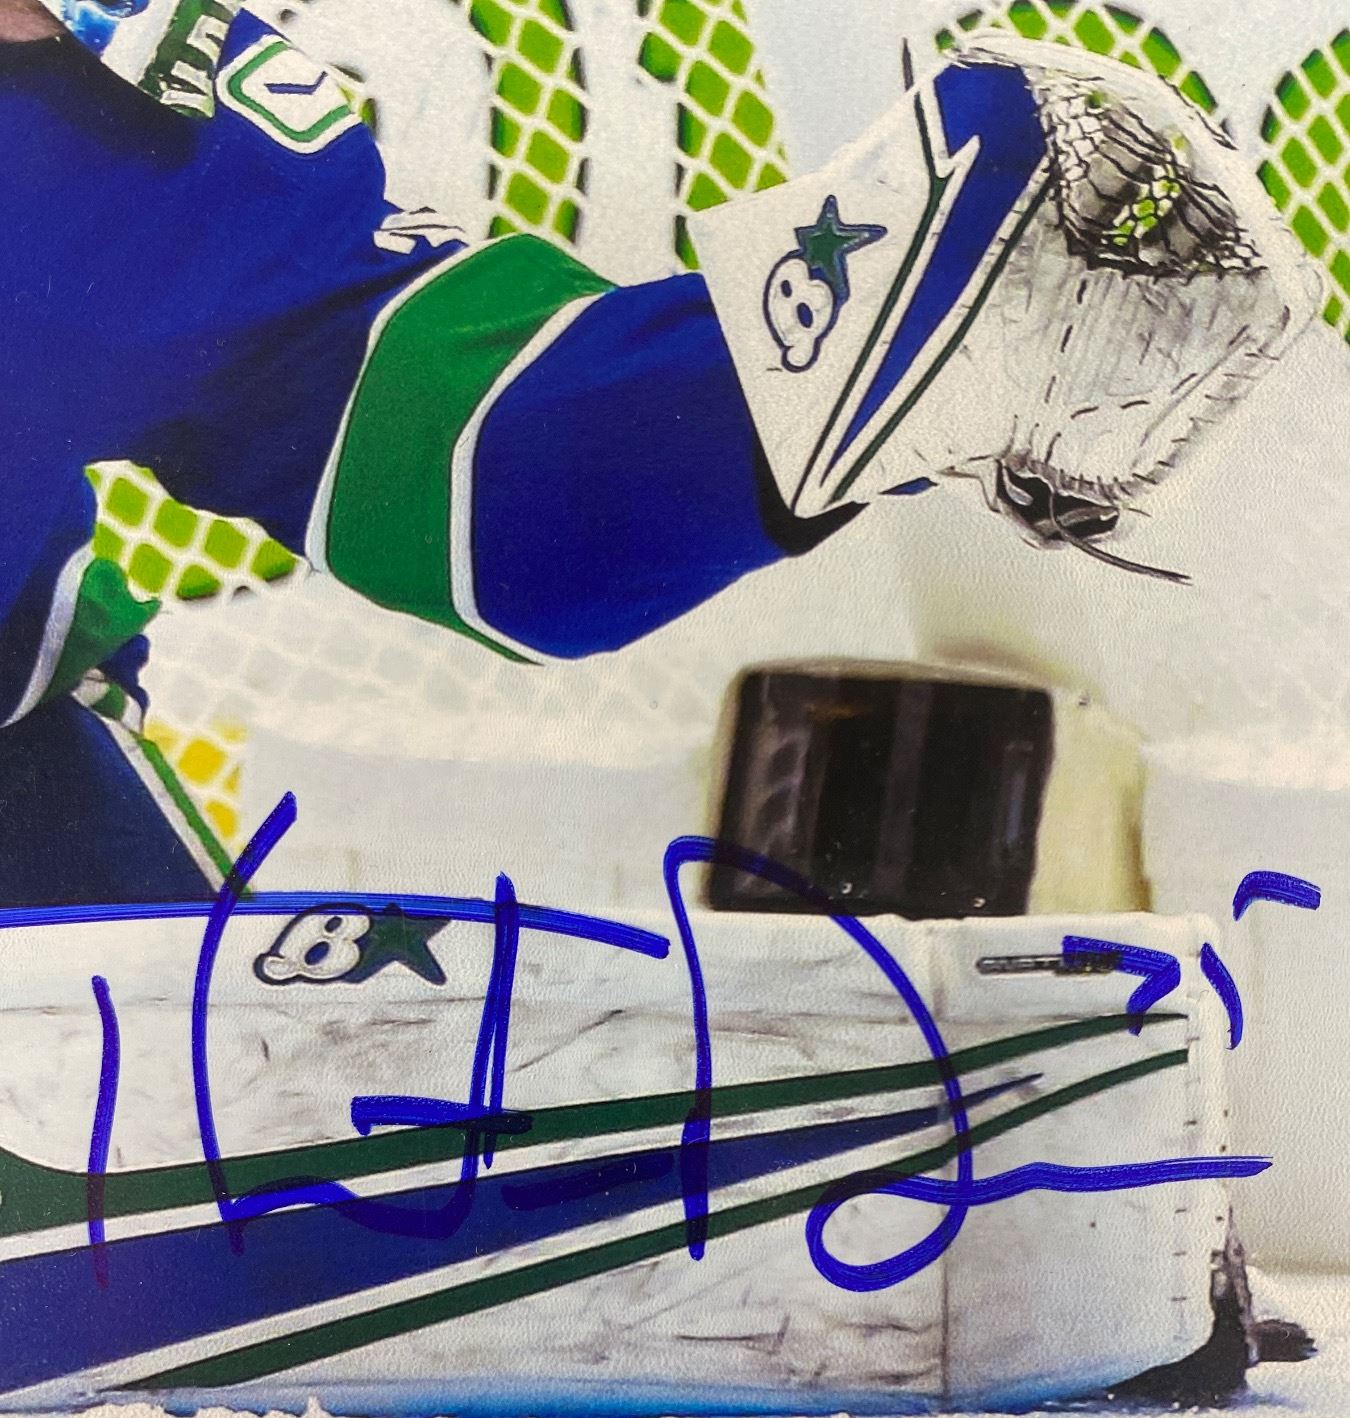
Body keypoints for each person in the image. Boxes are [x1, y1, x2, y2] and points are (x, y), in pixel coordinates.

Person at [0, 0, 1314, 902]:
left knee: (161, 1142)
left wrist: (789, 382)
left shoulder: (86, 153)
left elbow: (396, 425)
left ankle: (833, 352)